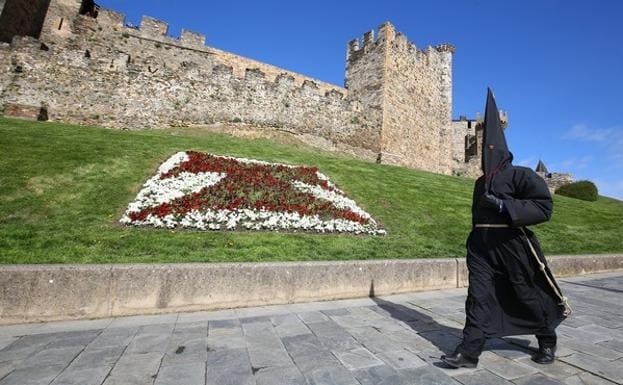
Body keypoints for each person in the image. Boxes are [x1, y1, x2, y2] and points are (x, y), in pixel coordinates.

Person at [441, 89, 570, 369]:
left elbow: (543, 207)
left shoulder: (521, 175)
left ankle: (547, 338)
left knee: (526, 292)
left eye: (490, 147)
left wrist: (504, 206)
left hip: (511, 243)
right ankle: (469, 352)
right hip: (481, 244)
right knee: (478, 295)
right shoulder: (478, 182)